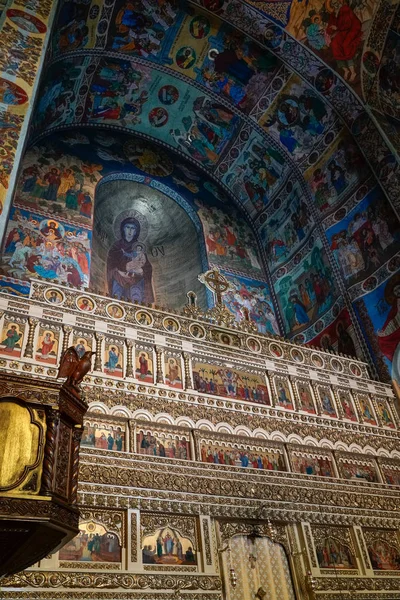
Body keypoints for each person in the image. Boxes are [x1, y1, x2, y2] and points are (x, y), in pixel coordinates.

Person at [107, 217, 154, 303]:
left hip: (136, 279)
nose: (130, 231)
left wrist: (142, 271)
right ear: (123, 229)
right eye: (127, 227)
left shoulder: (138, 249)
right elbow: (111, 264)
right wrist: (124, 267)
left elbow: (147, 267)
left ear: (136, 232)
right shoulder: (116, 247)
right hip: (119, 278)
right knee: (117, 298)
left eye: (132, 228)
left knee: (136, 297)